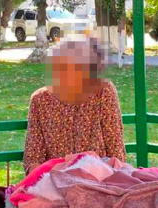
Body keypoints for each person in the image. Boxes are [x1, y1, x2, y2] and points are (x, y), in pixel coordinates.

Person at [23, 37, 127, 174]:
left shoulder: (102, 91)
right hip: (55, 181)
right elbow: (33, 159)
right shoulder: (40, 100)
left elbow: (115, 148)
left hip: (98, 179)